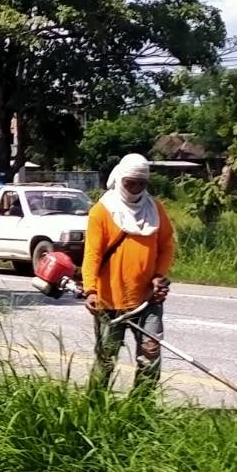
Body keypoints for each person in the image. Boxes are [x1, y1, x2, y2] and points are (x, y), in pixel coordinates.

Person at [83, 153, 174, 393]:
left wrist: (159, 276)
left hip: (148, 299)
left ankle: (141, 404)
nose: (135, 188)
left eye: (141, 183)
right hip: (109, 301)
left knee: (150, 355)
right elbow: (92, 254)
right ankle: (93, 403)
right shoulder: (102, 211)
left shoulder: (155, 210)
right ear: (120, 178)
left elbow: (166, 246)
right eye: (130, 183)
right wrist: (90, 290)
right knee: (106, 358)